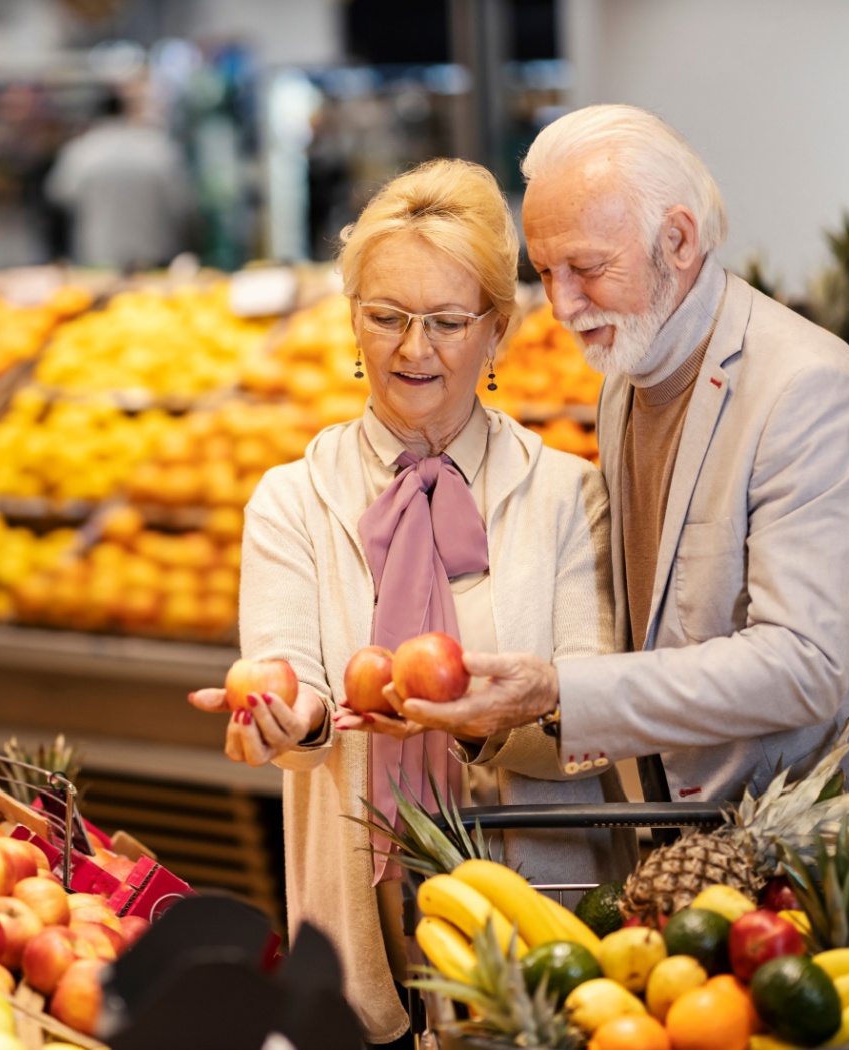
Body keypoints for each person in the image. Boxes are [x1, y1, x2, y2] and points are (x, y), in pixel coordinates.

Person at [385, 105, 849, 963]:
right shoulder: (627, 379)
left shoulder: (806, 391)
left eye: (587, 270)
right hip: (715, 865)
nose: (562, 306)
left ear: (678, 241)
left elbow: (801, 666)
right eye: (545, 272)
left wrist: (560, 688)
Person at [187, 158, 636, 1047]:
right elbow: (298, 675)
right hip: (363, 902)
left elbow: (598, 719)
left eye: (445, 322)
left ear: (498, 332)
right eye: (386, 317)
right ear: (352, 322)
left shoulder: (565, 496)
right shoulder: (292, 499)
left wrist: (491, 719)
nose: (412, 350)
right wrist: (287, 715)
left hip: (540, 906)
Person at [45, 89, 195, 270]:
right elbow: (184, 206)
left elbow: (58, 198)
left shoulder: (80, 152)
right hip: (154, 257)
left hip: (97, 258)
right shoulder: (157, 148)